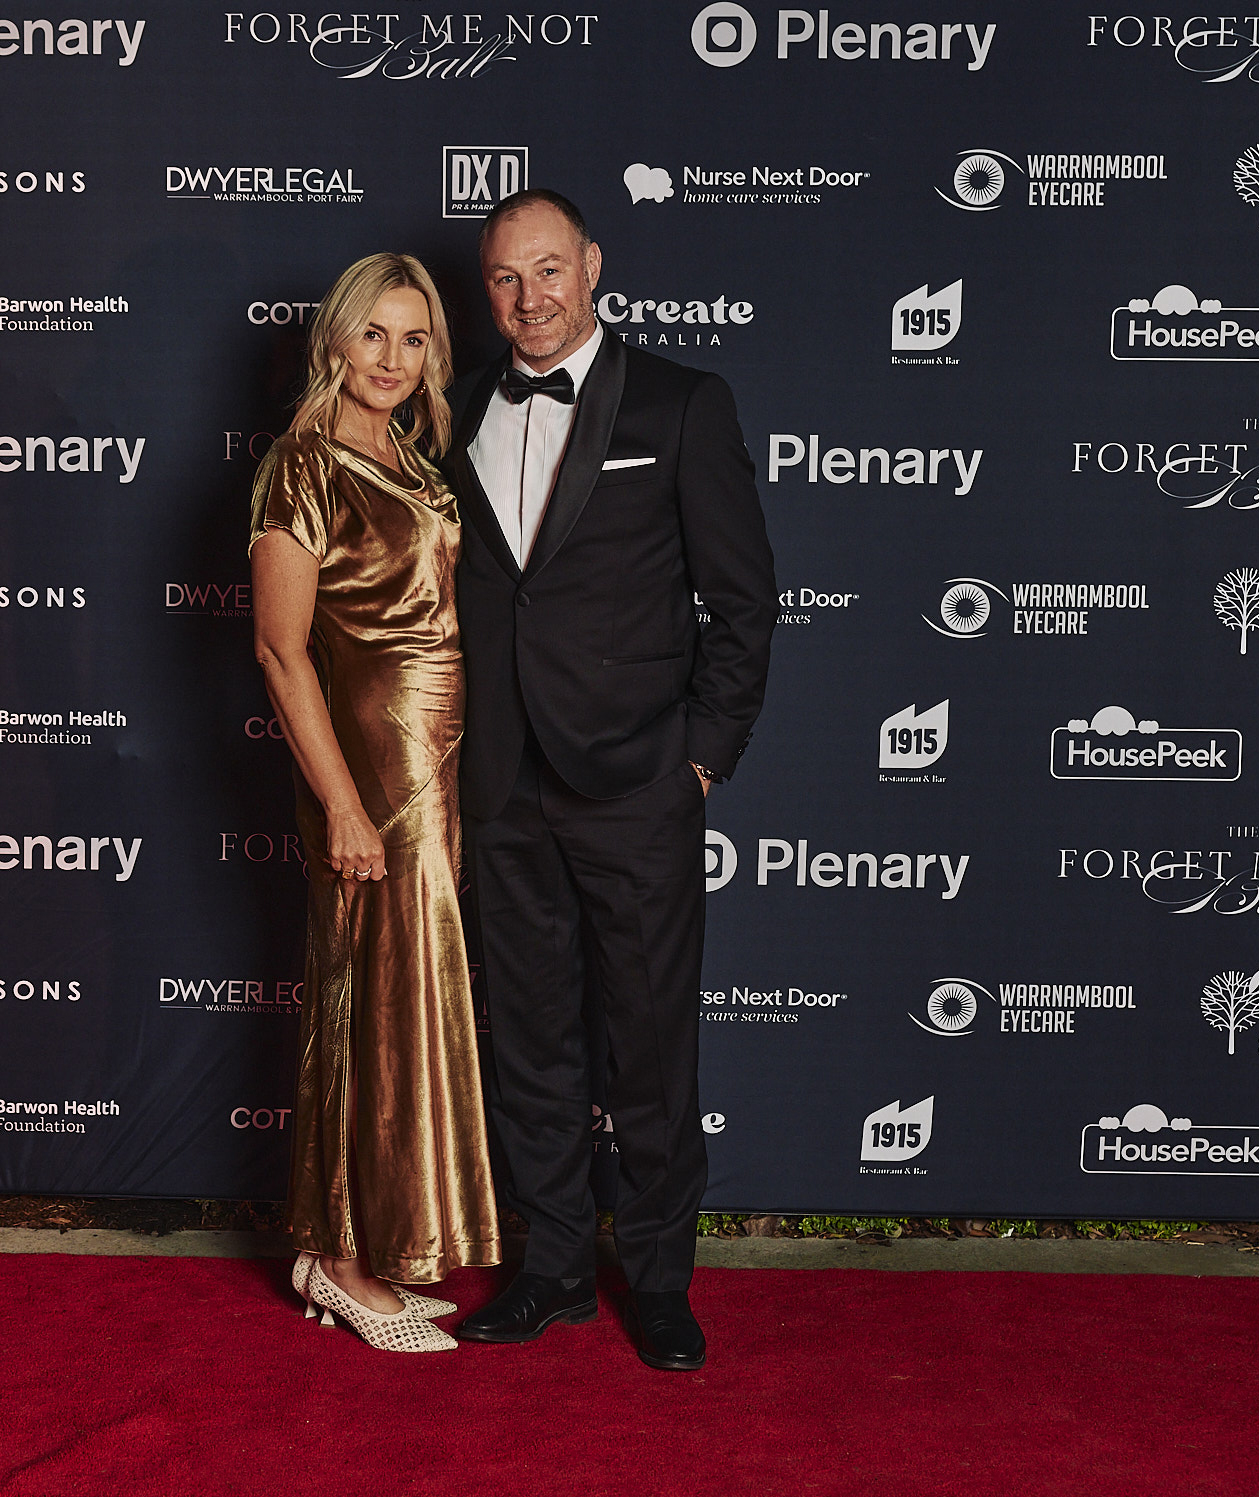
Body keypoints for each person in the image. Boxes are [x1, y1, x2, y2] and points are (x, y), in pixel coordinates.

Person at [449, 191, 777, 1370]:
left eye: (547, 270)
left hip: (636, 782)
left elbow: (742, 602)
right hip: (501, 783)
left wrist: (699, 759)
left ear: (590, 266)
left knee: (648, 1045)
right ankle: (548, 1272)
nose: (528, 298)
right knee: (530, 1041)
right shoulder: (455, 409)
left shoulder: (681, 403)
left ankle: (658, 1280)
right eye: (503, 278)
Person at [250, 253, 500, 1353]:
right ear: (335, 342)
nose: (392, 359)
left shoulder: (417, 461)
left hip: (438, 756)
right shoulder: (300, 465)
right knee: (371, 995)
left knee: (410, 993)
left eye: (414, 337)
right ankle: (345, 1262)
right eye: (373, 334)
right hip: (372, 766)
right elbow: (280, 650)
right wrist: (344, 806)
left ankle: (367, 1242)